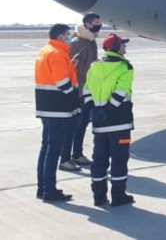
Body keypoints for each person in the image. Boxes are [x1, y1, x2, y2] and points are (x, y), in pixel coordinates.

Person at [83, 34, 136, 206]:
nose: (125, 47)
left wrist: (94, 109)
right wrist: (107, 110)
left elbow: (86, 90)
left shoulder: (94, 66)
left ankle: (98, 197)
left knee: (99, 160)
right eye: (123, 45)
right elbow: (121, 92)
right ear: (116, 48)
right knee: (119, 160)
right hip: (119, 123)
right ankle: (118, 196)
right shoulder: (125, 67)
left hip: (99, 125)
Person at [35, 24, 81, 203]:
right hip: (58, 109)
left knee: (46, 148)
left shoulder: (44, 51)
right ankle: (49, 190)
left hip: (46, 107)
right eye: (68, 35)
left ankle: (43, 188)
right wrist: (73, 95)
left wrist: (70, 66)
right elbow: (62, 83)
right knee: (53, 151)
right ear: (61, 36)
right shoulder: (57, 54)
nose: (70, 38)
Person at [59, 12, 102, 172]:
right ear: (87, 24)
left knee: (82, 124)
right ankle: (65, 158)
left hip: (87, 91)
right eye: (96, 22)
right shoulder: (79, 43)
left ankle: (77, 154)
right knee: (73, 125)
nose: (99, 25)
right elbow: (70, 68)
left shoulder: (90, 41)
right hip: (78, 92)